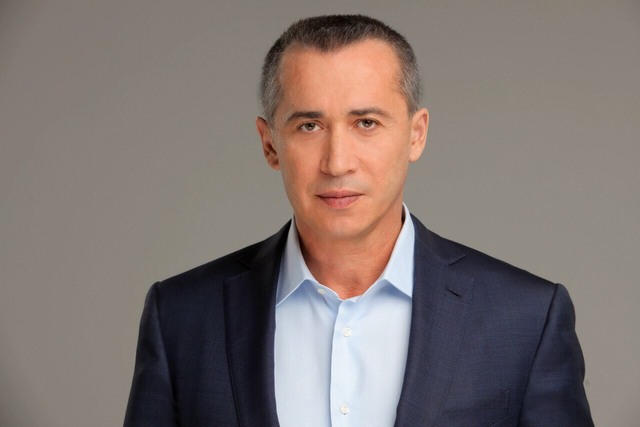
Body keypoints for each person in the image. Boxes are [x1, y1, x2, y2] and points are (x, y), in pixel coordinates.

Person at [124, 15, 593, 427]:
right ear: (270, 144)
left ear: (416, 135)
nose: (337, 162)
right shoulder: (182, 316)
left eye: (366, 123)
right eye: (309, 126)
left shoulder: (526, 319)